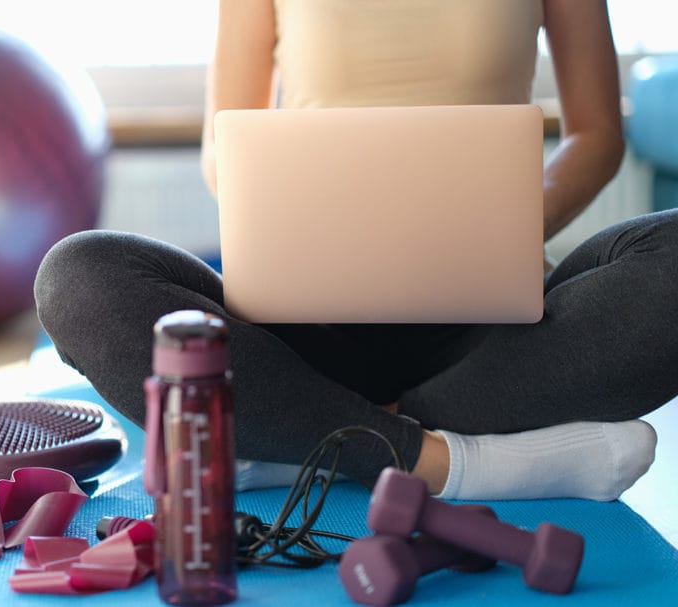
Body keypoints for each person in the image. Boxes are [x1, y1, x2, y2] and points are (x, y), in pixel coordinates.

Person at [34, 0, 676, 500]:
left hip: (489, 329)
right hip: (303, 329)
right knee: (77, 274)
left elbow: (596, 133)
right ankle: (448, 459)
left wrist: (497, 229)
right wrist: (304, 228)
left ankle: (304, 438)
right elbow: (224, 147)